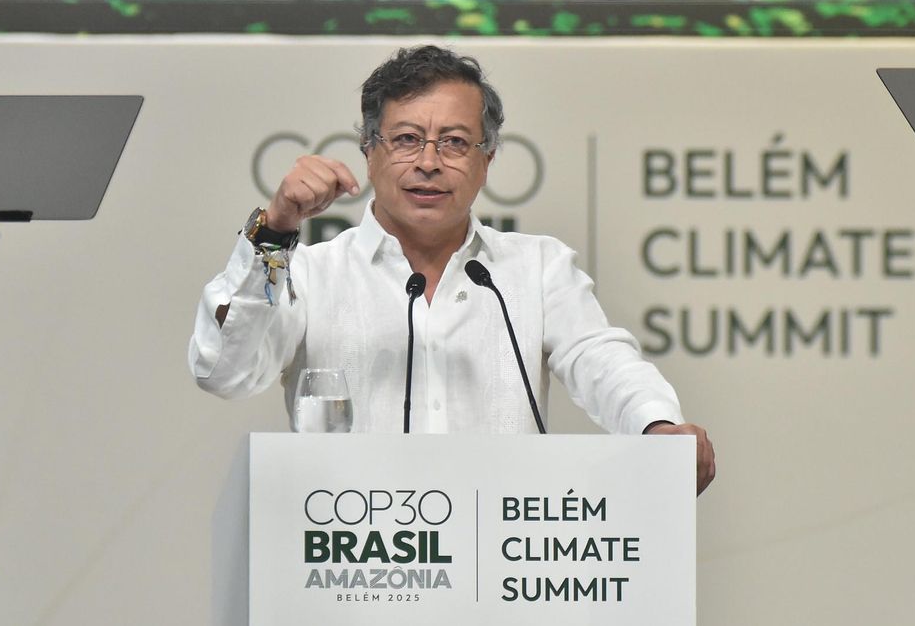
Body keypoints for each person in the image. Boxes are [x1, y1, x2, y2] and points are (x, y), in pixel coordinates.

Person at [188, 45, 715, 494]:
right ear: (369, 152)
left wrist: (657, 427)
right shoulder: (311, 274)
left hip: (505, 560)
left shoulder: (536, 268)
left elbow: (602, 360)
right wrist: (276, 229)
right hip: (354, 562)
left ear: (487, 162)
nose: (429, 162)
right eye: (406, 139)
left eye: (456, 143)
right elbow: (223, 371)